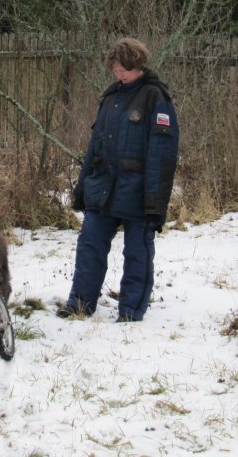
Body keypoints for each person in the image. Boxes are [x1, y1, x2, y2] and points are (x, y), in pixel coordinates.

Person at [58, 37, 179, 322]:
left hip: (138, 193)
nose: (118, 74)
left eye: (123, 69)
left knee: (137, 253)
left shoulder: (156, 98)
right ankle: (80, 304)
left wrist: (155, 202)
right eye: (115, 69)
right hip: (103, 189)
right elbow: (94, 148)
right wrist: (83, 187)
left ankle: (130, 311)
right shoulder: (110, 98)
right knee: (90, 246)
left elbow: (162, 156)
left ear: (138, 65)